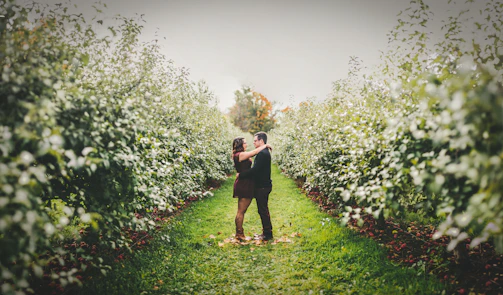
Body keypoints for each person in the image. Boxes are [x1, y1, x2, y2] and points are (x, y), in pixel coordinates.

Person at [232, 136, 272, 241]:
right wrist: (265, 146)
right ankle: (239, 234)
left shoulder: (242, 154)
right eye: (245, 143)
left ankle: (240, 234)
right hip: (244, 184)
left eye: (255, 140)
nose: (247, 144)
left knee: (242, 211)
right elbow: (254, 152)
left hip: (246, 183)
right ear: (240, 145)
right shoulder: (240, 155)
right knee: (241, 211)